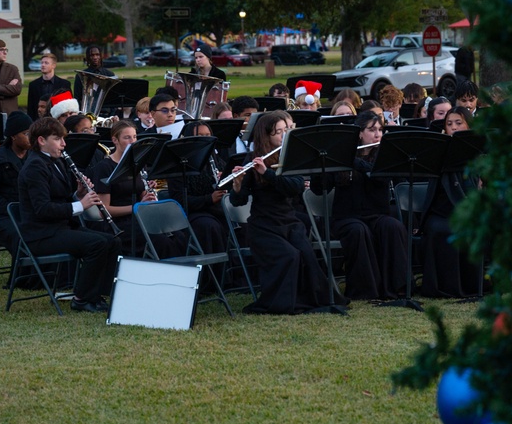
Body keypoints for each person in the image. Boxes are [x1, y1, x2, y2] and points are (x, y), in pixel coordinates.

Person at [228, 110, 348, 314]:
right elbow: (237, 201)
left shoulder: (291, 157)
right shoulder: (253, 159)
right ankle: (282, 303)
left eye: (286, 130)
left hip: (289, 223)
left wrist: (268, 173)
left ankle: (310, 300)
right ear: (266, 136)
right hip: (263, 226)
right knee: (289, 256)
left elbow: (296, 186)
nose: (284, 135)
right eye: (278, 132)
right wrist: (237, 185)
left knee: (306, 255)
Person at [18, 116, 121, 313]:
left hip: (59, 227)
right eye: (58, 139)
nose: (64, 144)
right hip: (41, 234)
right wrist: (80, 205)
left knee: (112, 240)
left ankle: (97, 294)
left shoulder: (57, 161)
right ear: (41, 141)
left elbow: (61, 198)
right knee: (97, 244)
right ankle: (81, 298)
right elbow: (42, 209)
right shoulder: (34, 167)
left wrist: (78, 193)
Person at [310, 111, 407, 300]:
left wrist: (355, 162)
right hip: (347, 219)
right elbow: (318, 188)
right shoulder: (342, 156)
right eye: (372, 130)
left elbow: (385, 178)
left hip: (377, 215)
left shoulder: (382, 155)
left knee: (393, 226)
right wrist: (324, 160)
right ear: (360, 133)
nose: (378, 134)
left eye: (380, 129)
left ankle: (397, 287)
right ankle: (365, 290)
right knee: (358, 231)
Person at [418, 106, 480, 298]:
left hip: (468, 209)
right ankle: (443, 286)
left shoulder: (478, 151)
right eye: (449, 124)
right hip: (441, 210)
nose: (453, 127)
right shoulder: (440, 149)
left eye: (458, 123)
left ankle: (471, 285)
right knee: (440, 229)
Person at [87, 120, 157, 253]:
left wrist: (146, 193)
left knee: (175, 234)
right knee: (157, 239)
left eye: (135, 137)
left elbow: (141, 196)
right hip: (118, 224)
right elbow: (104, 209)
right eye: (127, 137)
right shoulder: (104, 167)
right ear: (115, 140)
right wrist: (136, 207)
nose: (133, 141)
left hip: (138, 217)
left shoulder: (138, 163)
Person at [0, 111, 32, 281]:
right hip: (2, 217)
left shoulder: (35, 157)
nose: (30, 137)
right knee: (20, 233)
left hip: (30, 212)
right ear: (13, 136)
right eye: (25, 133)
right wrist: (14, 210)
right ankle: (24, 279)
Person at [167, 121, 229, 257]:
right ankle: (212, 273)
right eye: (201, 135)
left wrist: (228, 180)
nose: (206, 140)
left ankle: (237, 272)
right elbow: (179, 200)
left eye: (208, 135)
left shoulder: (216, 159)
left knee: (244, 224)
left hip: (218, 210)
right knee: (210, 227)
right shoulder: (179, 165)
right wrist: (209, 199)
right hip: (194, 213)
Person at [26, 53, 71, 118]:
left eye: (46, 63)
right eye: (42, 63)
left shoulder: (64, 84)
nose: (43, 65)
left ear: (54, 65)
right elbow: (31, 108)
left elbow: (68, 107)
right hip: (39, 122)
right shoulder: (33, 85)